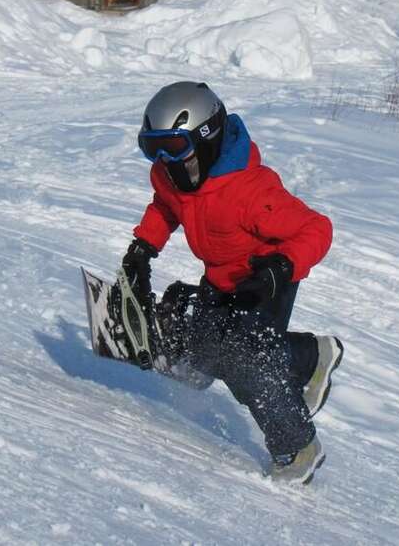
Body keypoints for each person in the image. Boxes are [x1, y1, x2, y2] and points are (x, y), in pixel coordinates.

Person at [121, 81, 343, 485]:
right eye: (154, 149)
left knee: (249, 362)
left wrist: (279, 269)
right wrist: (143, 248)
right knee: (204, 352)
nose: (165, 161)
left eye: (174, 147)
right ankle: (311, 356)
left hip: (267, 280)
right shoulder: (174, 178)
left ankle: (297, 448)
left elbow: (317, 229)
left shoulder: (249, 191)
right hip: (222, 278)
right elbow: (166, 206)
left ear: (207, 138)